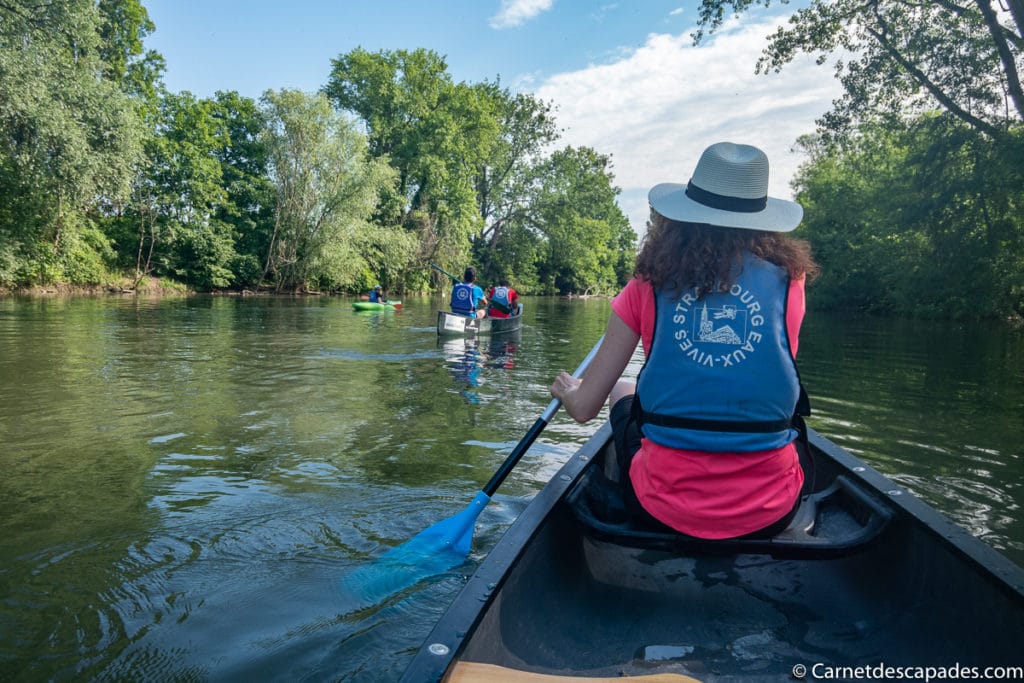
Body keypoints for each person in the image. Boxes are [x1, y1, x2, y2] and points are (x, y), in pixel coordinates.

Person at [549, 141, 819, 541]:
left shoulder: (647, 284)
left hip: (661, 509)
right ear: (762, 220)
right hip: (771, 510)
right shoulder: (790, 284)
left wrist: (571, 390)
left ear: (680, 218)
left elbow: (585, 408)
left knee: (622, 390)